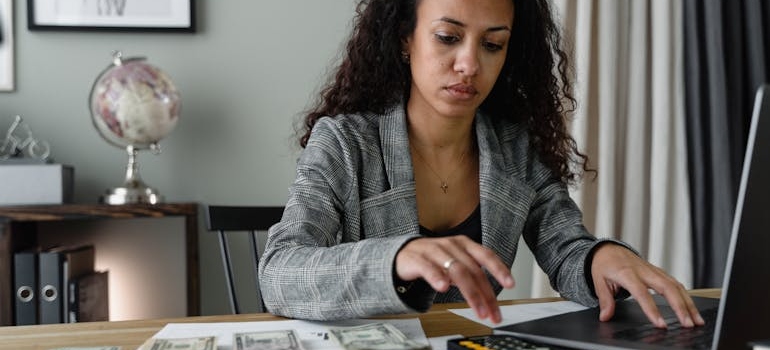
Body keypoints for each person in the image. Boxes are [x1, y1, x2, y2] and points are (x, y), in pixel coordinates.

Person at [258, 0, 704, 329]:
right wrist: (396, 259)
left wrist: (601, 257)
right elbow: (279, 271)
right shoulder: (345, 142)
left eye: (492, 44)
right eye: (448, 37)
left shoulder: (514, 148)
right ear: (405, 38)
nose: (470, 64)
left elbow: (566, 248)